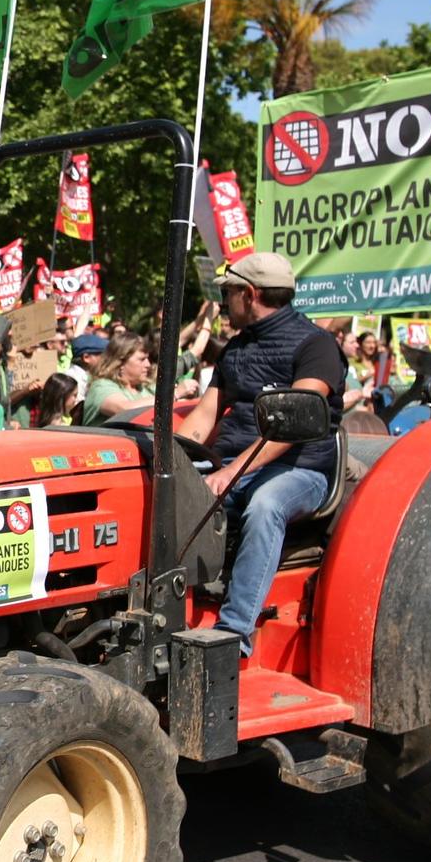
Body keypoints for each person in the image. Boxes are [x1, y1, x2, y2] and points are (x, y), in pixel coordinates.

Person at [177, 252, 344, 655]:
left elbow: (291, 421)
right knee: (171, 494)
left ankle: (233, 634)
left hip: (301, 468)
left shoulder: (317, 346)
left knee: (265, 504)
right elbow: (204, 416)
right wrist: (170, 462)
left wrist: (232, 472)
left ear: (248, 294)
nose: (222, 303)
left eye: (227, 293)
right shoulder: (234, 350)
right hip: (236, 464)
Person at [83, 333, 159, 424]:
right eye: (142, 359)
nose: (148, 365)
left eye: (148, 359)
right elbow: (125, 410)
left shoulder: (146, 387)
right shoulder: (100, 386)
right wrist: (173, 396)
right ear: (121, 362)